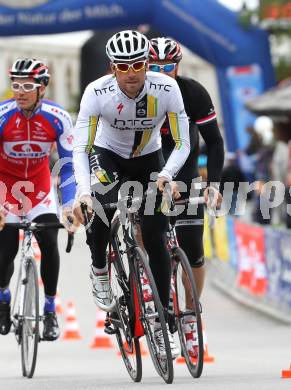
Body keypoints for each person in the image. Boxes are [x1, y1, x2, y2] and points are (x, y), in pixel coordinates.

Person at [73, 30, 190, 358]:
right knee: (99, 210)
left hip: (149, 160)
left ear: (147, 63)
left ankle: (164, 303)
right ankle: (100, 270)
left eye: (137, 65)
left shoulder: (166, 88)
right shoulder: (97, 92)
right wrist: (83, 192)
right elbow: (81, 147)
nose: (131, 73)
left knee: (155, 233)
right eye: (122, 67)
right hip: (107, 155)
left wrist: (167, 175)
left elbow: (182, 142)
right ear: (112, 67)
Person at [149, 37, 224, 357]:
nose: (163, 73)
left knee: (193, 249)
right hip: (149, 171)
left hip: (185, 170)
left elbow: (215, 142)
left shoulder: (193, 92)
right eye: (156, 68)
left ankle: (191, 318)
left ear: (178, 67)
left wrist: (215, 185)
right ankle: (156, 310)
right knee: (149, 239)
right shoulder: (138, 93)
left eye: (170, 68)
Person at [0, 58, 77, 340]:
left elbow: (69, 165)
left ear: (42, 88)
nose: (19, 92)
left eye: (27, 86)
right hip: (4, 188)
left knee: (49, 239)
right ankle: (4, 298)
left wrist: (69, 204)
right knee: (5, 251)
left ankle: (48, 309)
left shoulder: (58, 118)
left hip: (39, 188)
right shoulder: (3, 114)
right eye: (15, 85)